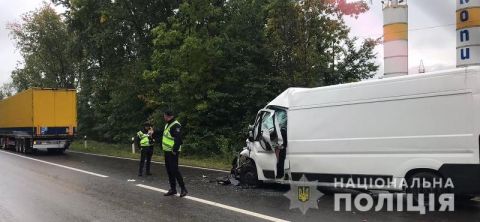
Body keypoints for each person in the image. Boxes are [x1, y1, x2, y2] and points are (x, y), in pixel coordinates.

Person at [162, 110, 187, 197]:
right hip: (167, 151)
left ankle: (183, 189)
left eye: (164, 115)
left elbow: (179, 139)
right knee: (169, 171)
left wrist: (174, 150)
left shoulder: (176, 125)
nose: (164, 117)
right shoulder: (167, 124)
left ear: (168, 116)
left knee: (175, 170)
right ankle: (173, 189)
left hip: (173, 152)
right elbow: (165, 136)